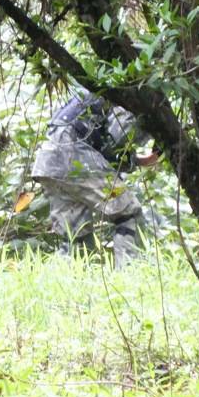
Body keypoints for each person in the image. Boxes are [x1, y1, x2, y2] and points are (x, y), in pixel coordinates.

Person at [31, 92, 161, 267]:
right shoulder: (129, 94)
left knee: (75, 236)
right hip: (75, 156)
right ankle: (130, 275)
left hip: (49, 160)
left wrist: (136, 160)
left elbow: (101, 141)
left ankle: (64, 288)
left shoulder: (98, 88)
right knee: (129, 213)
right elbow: (117, 139)